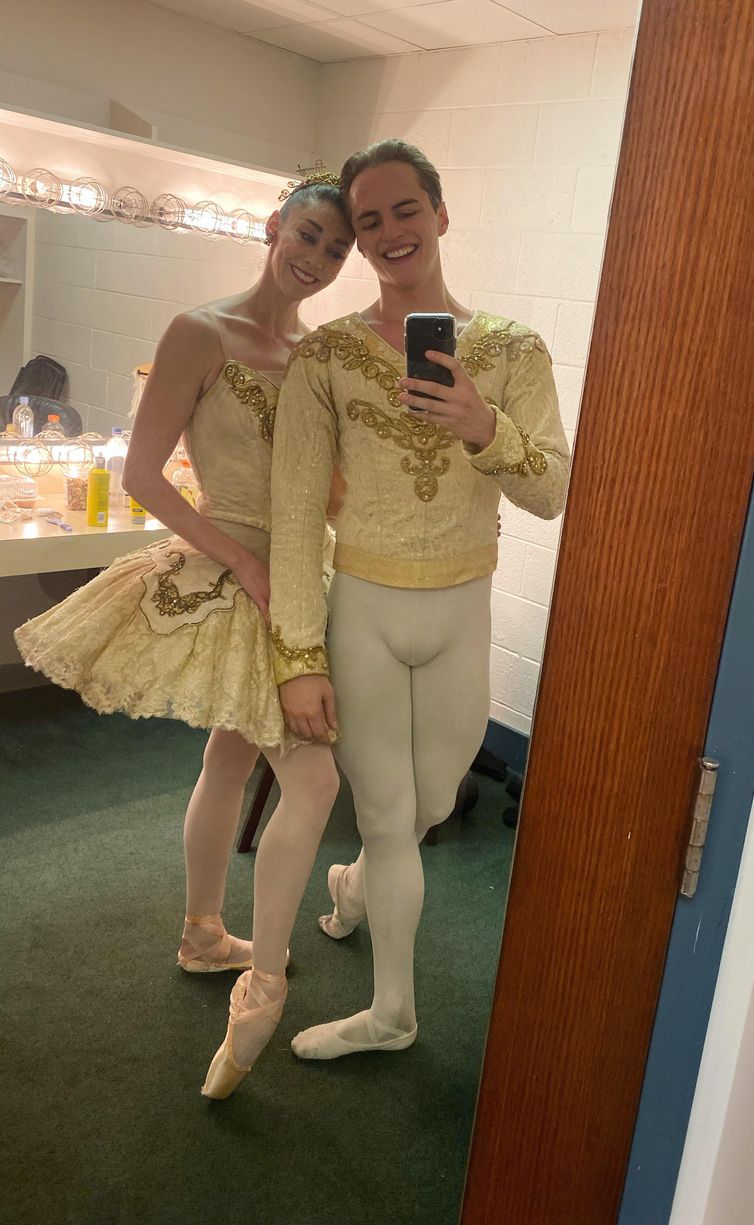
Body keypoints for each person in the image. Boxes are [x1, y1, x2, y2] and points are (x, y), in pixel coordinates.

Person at [15, 172, 354, 1097]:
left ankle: (205, 932)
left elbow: (327, 483)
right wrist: (241, 563)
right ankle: (259, 972)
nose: (317, 259)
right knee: (313, 775)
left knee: (230, 759)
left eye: (336, 248)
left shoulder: (321, 351)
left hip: (302, 574)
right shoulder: (200, 330)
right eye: (309, 235)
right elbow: (144, 476)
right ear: (274, 224)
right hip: (233, 563)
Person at [268, 139, 571, 1060]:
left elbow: (553, 489)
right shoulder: (325, 355)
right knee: (392, 814)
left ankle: (359, 884)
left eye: (407, 210)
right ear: (358, 242)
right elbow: (291, 516)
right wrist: (298, 656)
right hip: (360, 602)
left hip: (459, 608)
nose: (391, 231)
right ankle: (393, 1011)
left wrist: (483, 422)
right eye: (370, 220)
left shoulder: (514, 349)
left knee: (434, 798)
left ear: (440, 215)